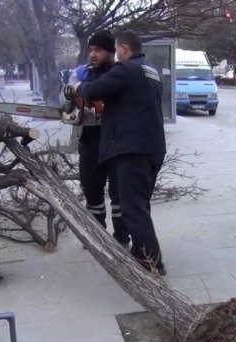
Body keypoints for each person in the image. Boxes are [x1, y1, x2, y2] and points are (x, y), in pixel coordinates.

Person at [72, 30, 167, 276]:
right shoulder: (152, 71)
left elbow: (92, 92)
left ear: (123, 48)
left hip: (132, 150)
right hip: (153, 148)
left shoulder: (126, 69)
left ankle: (151, 265)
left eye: (115, 49)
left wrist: (77, 86)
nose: (116, 54)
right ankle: (140, 253)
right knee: (140, 205)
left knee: (132, 209)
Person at [70, 30, 130, 246]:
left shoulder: (120, 73)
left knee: (119, 193)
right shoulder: (81, 73)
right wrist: (74, 99)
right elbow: (65, 99)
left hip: (116, 142)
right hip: (90, 140)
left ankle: (122, 238)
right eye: (91, 50)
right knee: (92, 191)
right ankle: (97, 238)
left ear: (111, 52)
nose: (93, 55)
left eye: (98, 50)